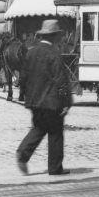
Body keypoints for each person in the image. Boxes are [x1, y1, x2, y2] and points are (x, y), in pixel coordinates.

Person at [16, 19, 72, 177]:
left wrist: (25, 95)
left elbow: (23, 77)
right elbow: (60, 80)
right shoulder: (54, 53)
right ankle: (55, 168)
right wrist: (66, 102)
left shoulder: (31, 52)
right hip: (52, 102)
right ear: (54, 37)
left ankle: (22, 154)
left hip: (34, 101)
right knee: (55, 133)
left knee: (39, 129)